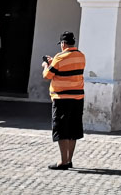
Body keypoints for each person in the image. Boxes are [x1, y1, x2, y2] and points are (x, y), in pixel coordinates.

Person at [41, 30, 85, 171]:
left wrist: (46, 65)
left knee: (62, 129)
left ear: (63, 43)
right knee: (73, 129)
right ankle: (69, 159)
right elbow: (68, 69)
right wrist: (53, 63)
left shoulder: (59, 57)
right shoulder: (81, 56)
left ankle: (63, 161)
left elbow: (47, 75)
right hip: (77, 98)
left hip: (62, 98)